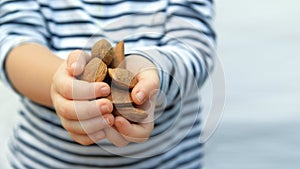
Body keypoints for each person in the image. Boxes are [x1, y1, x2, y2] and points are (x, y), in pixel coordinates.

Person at [0, 0, 216, 168]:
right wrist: (62, 86)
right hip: (44, 159)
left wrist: (154, 73)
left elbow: (196, 48)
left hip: (167, 161)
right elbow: (12, 44)